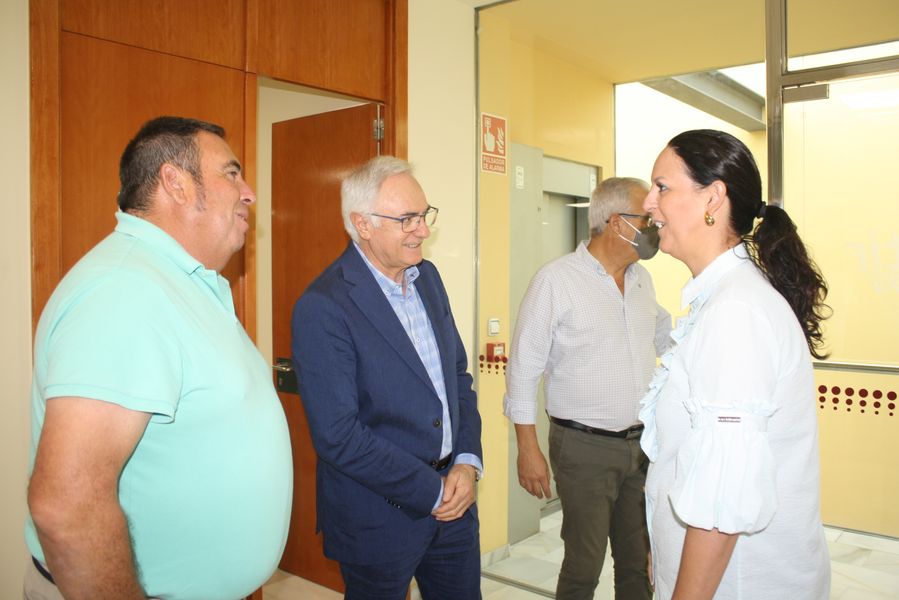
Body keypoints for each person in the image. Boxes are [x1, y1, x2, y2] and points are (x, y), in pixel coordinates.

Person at [25, 116, 293, 600]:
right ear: (176, 182)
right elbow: (66, 505)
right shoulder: (125, 291)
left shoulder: (179, 282)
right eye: (232, 173)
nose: (249, 192)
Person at [639, 129, 831, 599]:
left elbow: (722, 501)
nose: (648, 203)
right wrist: (663, 547)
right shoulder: (724, 299)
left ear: (713, 198)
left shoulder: (735, 313)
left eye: (662, 187)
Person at [291, 156, 483, 600]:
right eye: (407, 219)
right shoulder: (324, 305)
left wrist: (466, 461)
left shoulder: (428, 278)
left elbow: (457, 378)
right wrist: (432, 491)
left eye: (424, 214)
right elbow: (338, 435)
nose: (423, 230)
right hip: (377, 518)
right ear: (363, 224)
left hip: (456, 504)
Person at [504, 177, 671, 599]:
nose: (655, 226)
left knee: (639, 563)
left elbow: (667, 337)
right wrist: (527, 448)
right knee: (584, 565)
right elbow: (523, 368)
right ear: (616, 222)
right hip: (584, 448)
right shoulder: (556, 281)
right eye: (647, 219)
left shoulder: (641, 281)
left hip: (641, 446)